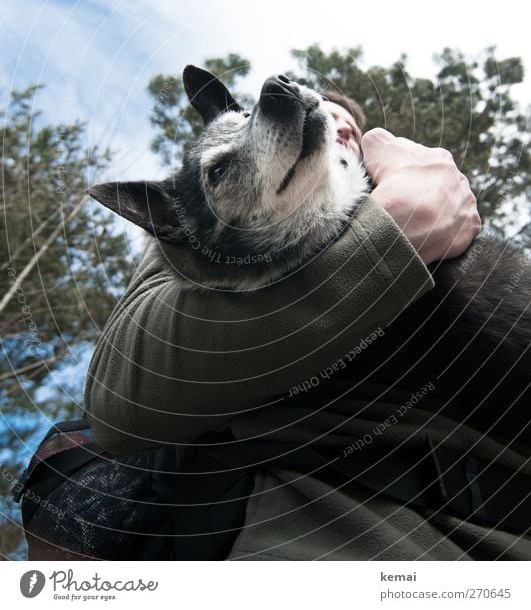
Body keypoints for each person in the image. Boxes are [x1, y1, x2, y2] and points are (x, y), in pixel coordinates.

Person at [84, 92, 530, 560]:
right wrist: (394, 231)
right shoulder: (198, 248)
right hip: (341, 530)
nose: (328, 124)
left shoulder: (435, 197)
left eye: (347, 127)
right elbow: (119, 400)